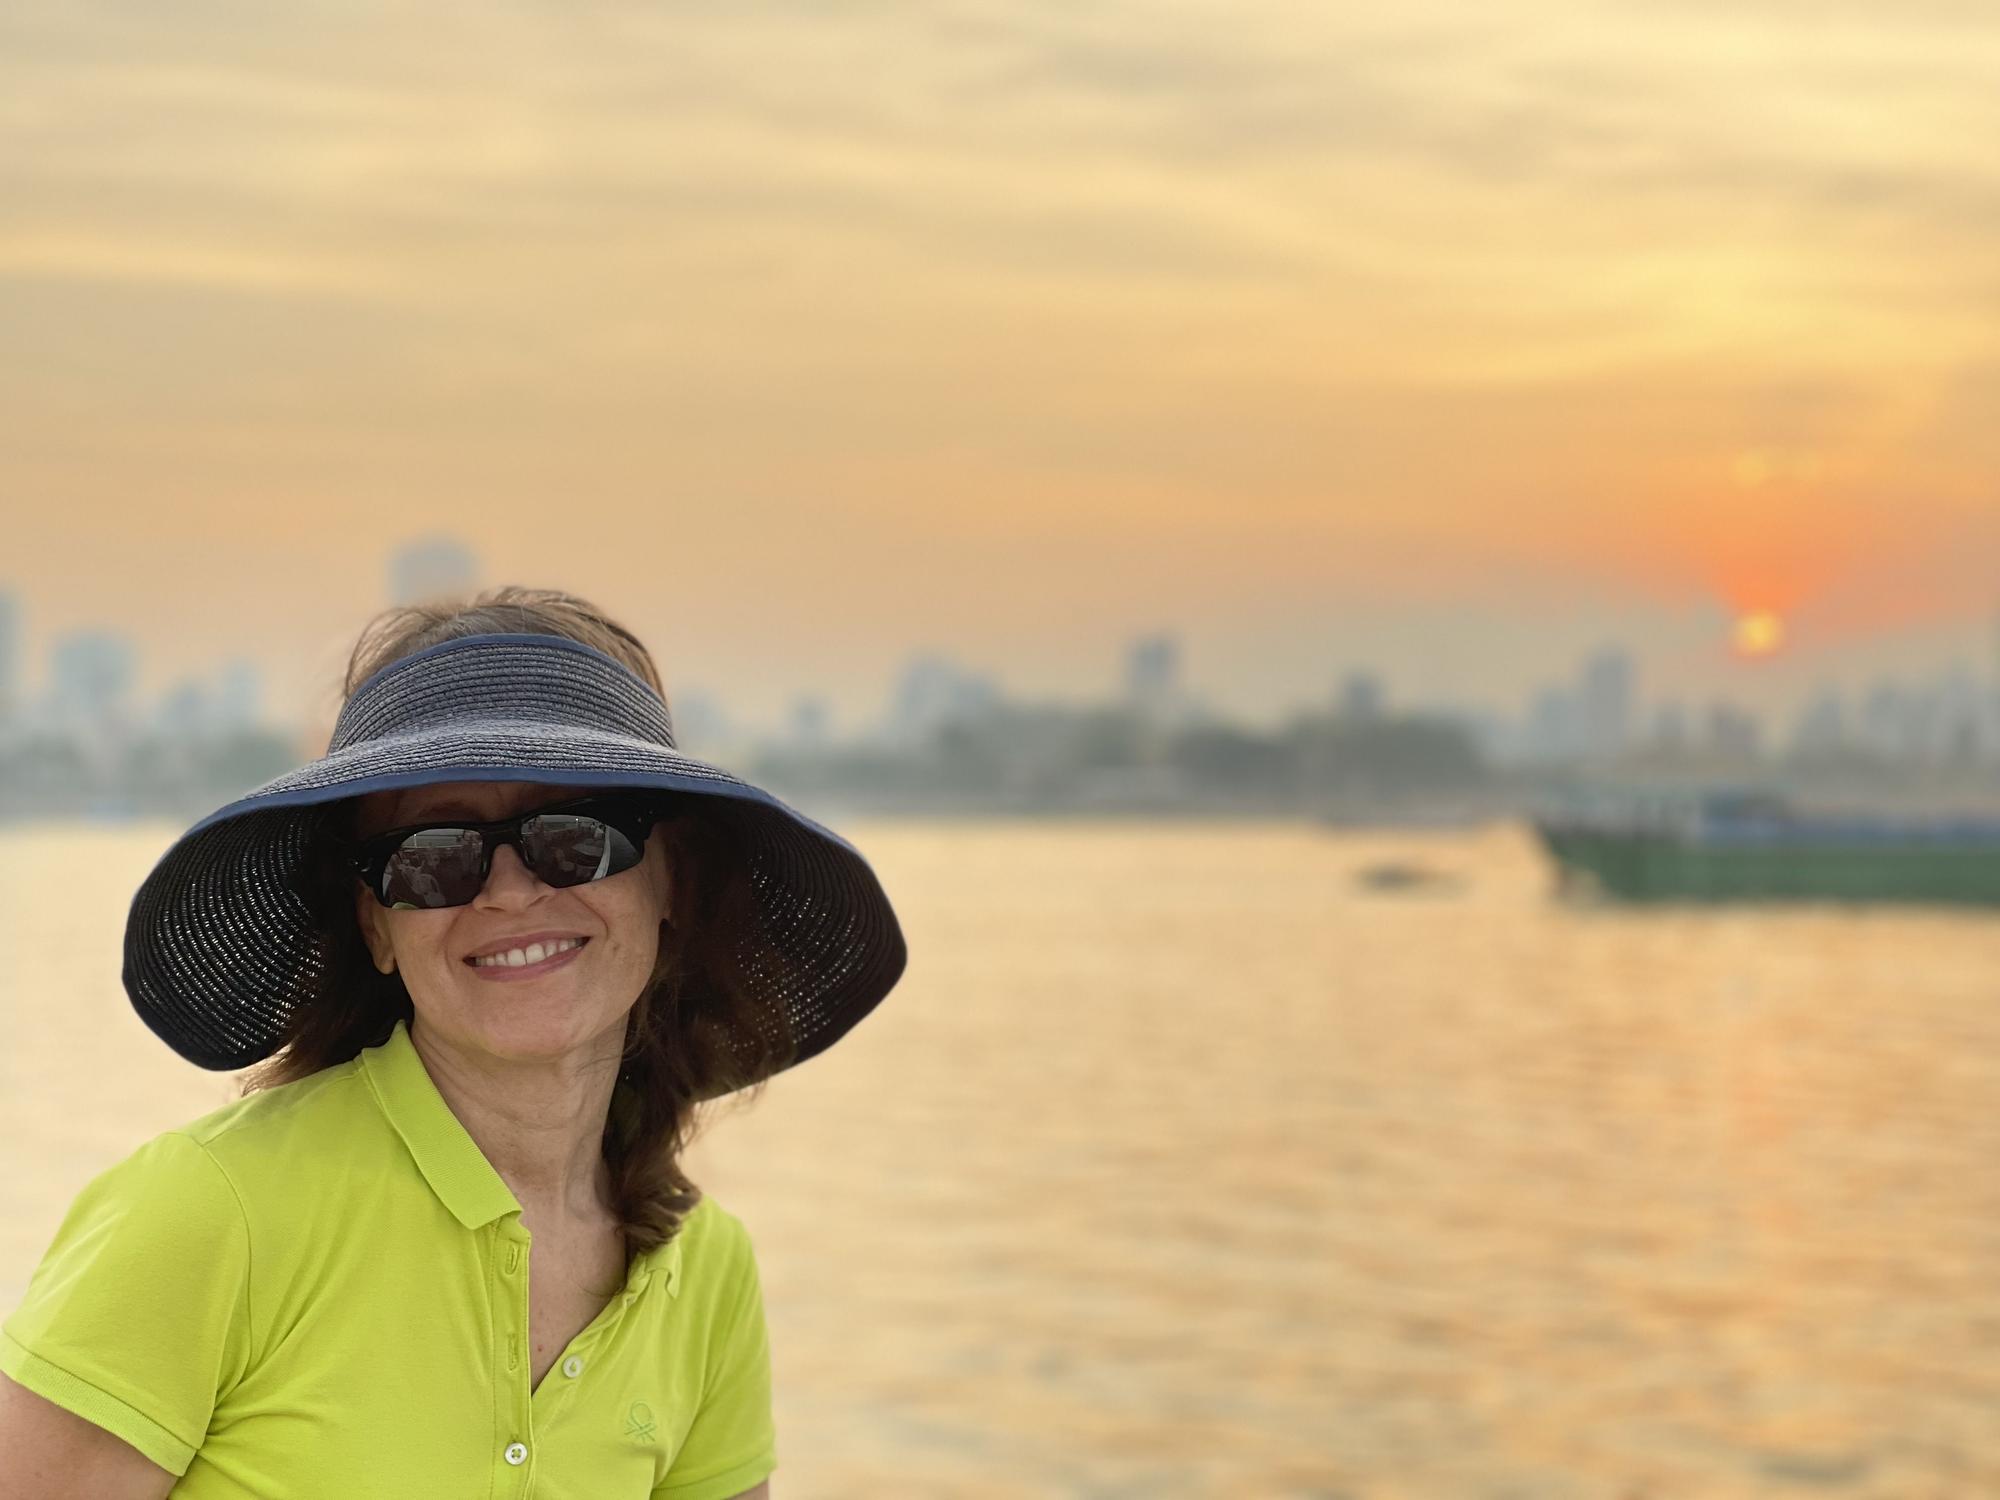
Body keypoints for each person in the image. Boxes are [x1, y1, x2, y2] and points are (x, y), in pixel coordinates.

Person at [0, 588, 908, 1499]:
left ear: (671, 880)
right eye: (434, 856)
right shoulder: (210, 1212)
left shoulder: (705, 1270)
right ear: (378, 925)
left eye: (575, 838)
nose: (508, 894)